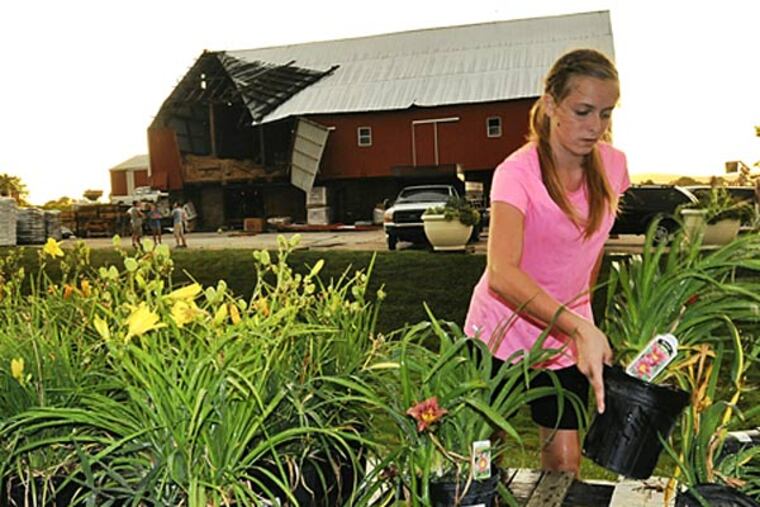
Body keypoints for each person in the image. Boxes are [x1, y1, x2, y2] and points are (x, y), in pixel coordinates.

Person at [464, 49, 630, 476]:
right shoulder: (515, 174)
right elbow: (501, 273)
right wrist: (580, 327)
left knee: (564, 465)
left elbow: (587, 253)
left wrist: (580, 321)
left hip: (563, 342)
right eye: (583, 111)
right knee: (482, 463)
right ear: (552, 103)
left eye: (606, 114)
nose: (595, 126)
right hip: (496, 334)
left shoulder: (614, 167)